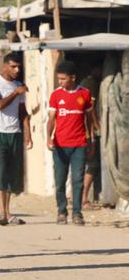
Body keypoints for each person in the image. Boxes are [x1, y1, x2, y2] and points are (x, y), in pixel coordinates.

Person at [0, 52, 31, 226]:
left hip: (15, 132)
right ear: (5, 66)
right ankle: (1, 212)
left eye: (19, 67)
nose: (17, 70)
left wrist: (28, 134)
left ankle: (8, 211)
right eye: (13, 66)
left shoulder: (19, 85)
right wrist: (15, 92)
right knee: (1, 172)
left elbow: (22, 112)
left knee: (12, 174)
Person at [47, 60, 94, 226]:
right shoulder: (56, 95)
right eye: (58, 79)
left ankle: (77, 213)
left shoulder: (85, 94)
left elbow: (89, 119)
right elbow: (51, 119)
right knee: (59, 180)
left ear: (72, 78)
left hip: (79, 144)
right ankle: (61, 211)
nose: (60, 82)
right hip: (59, 145)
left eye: (63, 78)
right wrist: (48, 138)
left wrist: (91, 141)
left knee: (78, 179)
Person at [79, 63, 102, 209]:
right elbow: (90, 109)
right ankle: (84, 199)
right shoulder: (91, 84)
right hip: (86, 132)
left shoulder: (82, 84)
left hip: (81, 131)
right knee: (91, 165)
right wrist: (95, 127)